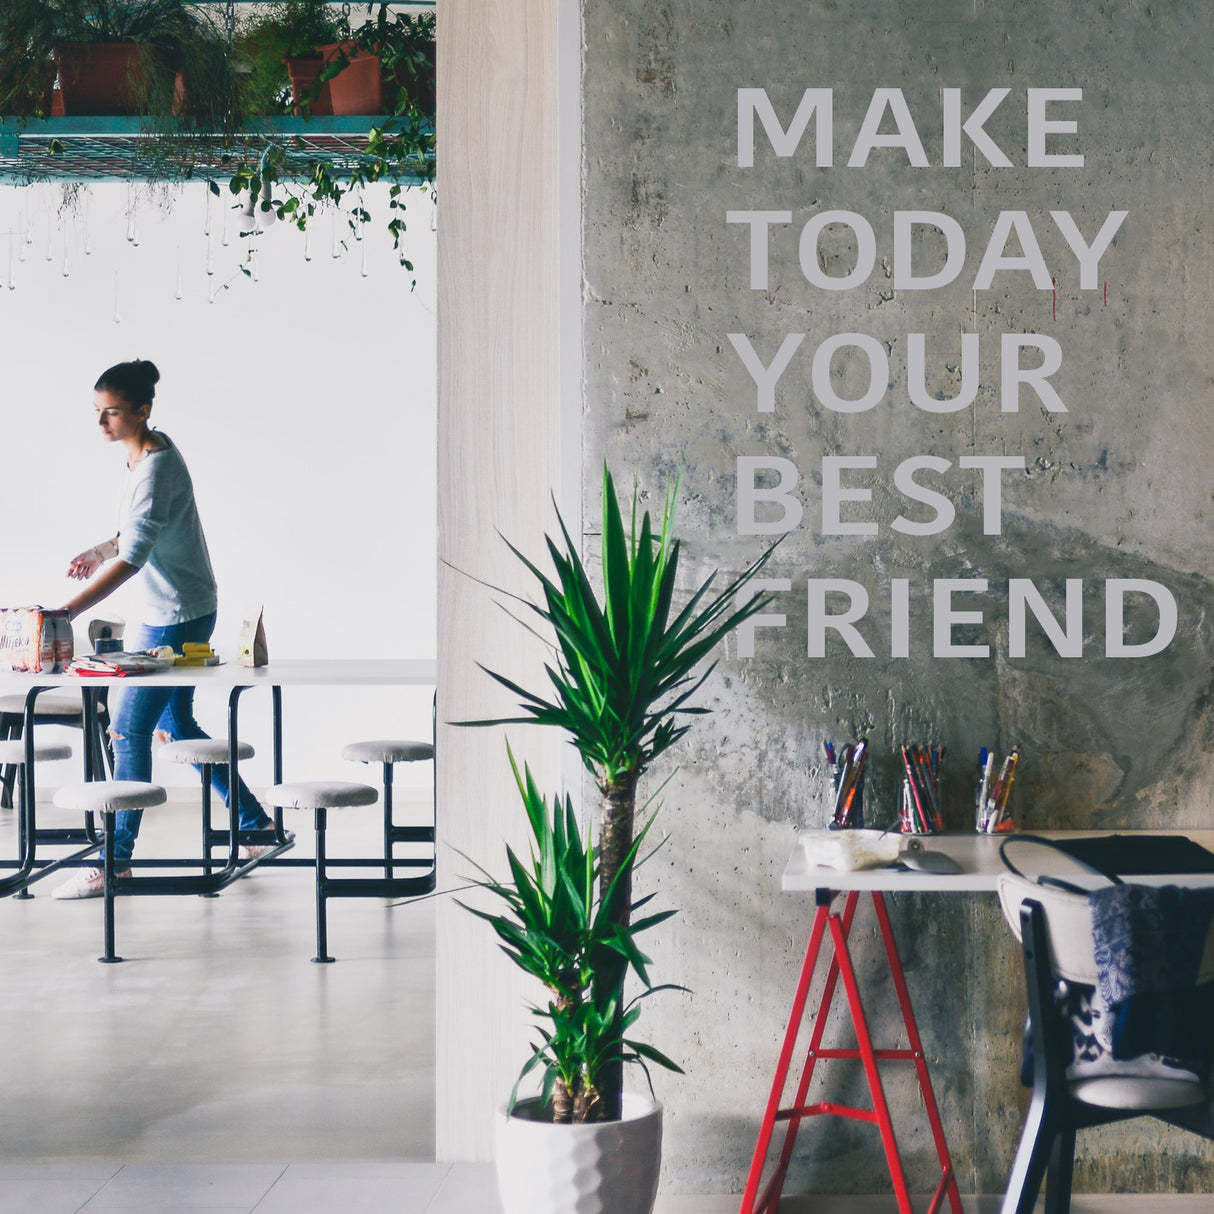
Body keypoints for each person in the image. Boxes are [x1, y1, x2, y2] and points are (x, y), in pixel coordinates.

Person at [51, 358, 274, 899]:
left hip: (177, 614)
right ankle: (254, 825)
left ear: (143, 411)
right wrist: (98, 548)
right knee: (176, 723)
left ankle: (116, 860)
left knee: (128, 729)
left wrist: (67, 613)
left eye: (113, 413)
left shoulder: (155, 466)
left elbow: (134, 556)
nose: (102, 423)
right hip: (176, 609)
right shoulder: (148, 452)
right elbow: (135, 531)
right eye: (98, 413)